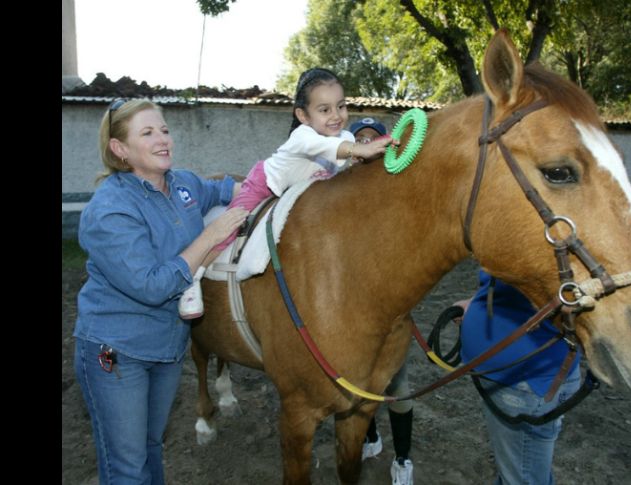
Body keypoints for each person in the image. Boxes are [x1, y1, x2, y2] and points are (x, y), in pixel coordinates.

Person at [73, 98, 249, 485]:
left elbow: (226, 189)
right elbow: (152, 286)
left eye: (164, 130)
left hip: (166, 350)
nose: (162, 139)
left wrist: (287, 175)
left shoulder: (183, 185)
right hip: (114, 353)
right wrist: (210, 237)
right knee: (127, 467)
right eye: (148, 133)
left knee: (152, 447)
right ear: (120, 149)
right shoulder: (110, 210)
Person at [178, 67, 396, 319]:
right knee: (231, 227)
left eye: (341, 106)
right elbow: (329, 147)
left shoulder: (345, 136)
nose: (336, 116)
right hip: (264, 184)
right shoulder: (302, 136)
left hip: (299, 190)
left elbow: (345, 157)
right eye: (324, 110)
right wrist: (359, 150)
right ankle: (194, 277)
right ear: (303, 115)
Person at [458, 271, 582, 485]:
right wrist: (479, 301)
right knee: (521, 467)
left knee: (523, 476)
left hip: (526, 383)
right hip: (527, 379)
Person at [351, 117, 414, 485]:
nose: (366, 143)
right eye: (359, 138)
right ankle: (371, 437)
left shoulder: (397, 197)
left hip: (390, 314)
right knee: (360, 384)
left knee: (398, 389)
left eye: (373, 138)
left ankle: (404, 459)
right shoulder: (340, 190)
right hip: (352, 316)